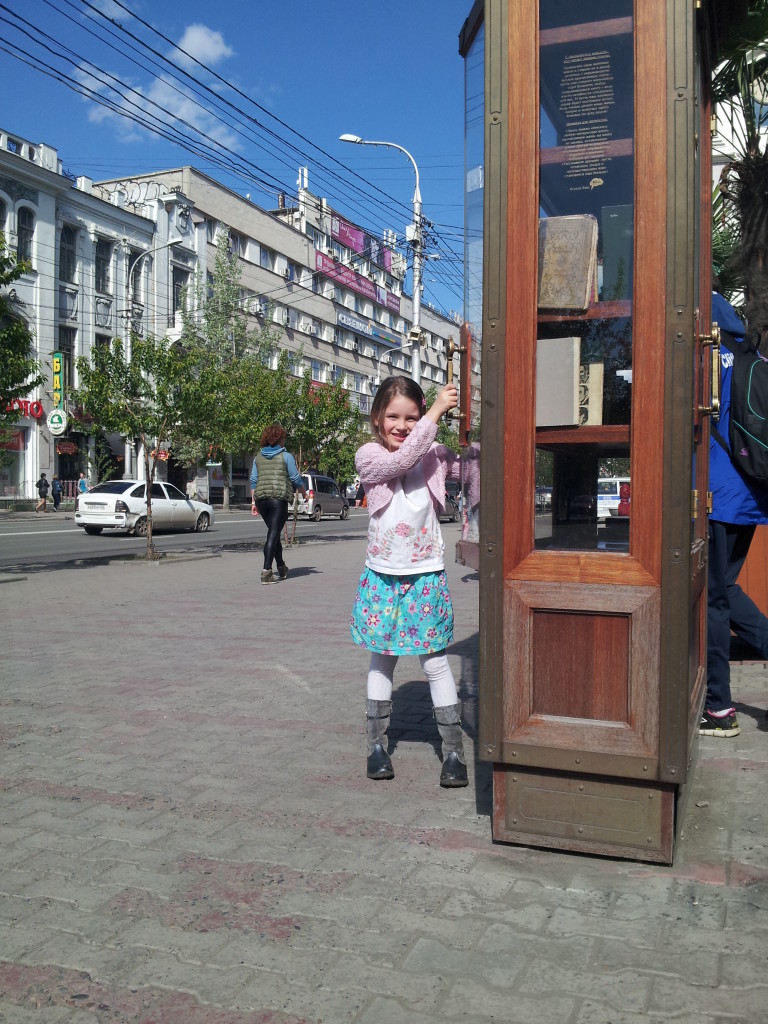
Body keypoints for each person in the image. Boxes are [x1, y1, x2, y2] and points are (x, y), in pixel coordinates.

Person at [351, 376, 468, 787]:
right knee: (382, 658)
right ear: (377, 419)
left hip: (425, 576)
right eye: (393, 417)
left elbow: (470, 466)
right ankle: (377, 746)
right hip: (383, 576)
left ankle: (453, 752)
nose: (402, 426)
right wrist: (434, 413)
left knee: (435, 662)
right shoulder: (368, 456)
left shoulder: (432, 454)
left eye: (411, 417)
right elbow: (397, 463)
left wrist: (473, 426)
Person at [704, 285, 768, 737]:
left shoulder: (700, 338)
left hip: (717, 491)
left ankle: (719, 707)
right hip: (748, 493)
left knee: (713, 598)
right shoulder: (740, 347)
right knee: (724, 585)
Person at [250, 424, 307, 585]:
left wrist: (253, 502)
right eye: (283, 437)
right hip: (278, 499)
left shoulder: (258, 457)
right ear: (279, 438)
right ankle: (266, 571)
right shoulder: (286, 456)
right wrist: (303, 493)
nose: (284, 440)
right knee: (273, 535)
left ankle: (281, 567)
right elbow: (295, 478)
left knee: (273, 534)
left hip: (261, 500)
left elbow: (254, 480)